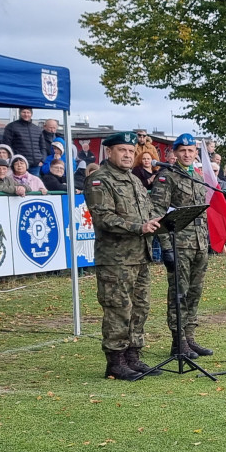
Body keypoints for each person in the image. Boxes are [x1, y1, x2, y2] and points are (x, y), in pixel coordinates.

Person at [84, 132, 163, 380]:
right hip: (116, 258)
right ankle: (115, 362)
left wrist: (159, 220)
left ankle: (133, 356)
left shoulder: (134, 180)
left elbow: (147, 211)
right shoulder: (100, 180)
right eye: (122, 150)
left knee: (140, 307)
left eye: (131, 151)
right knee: (119, 308)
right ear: (109, 153)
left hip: (140, 255)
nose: (128, 155)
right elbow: (104, 217)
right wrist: (138, 227)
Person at [150, 134, 212, 359]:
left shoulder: (196, 176)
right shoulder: (167, 177)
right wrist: (166, 247)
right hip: (179, 243)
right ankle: (178, 341)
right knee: (179, 292)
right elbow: (157, 212)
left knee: (195, 291)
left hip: (198, 242)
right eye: (182, 150)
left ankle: (190, 337)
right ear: (174, 153)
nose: (187, 154)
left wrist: (206, 240)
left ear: (196, 153)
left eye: (191, 150)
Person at [3, 108, 45, 176]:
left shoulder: (37, 129)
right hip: (19, 164)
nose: (26, 114)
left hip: (35, 165)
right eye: (24, 112)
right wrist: (14, 159)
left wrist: (42, 159)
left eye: (28, 112)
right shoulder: (11, 127)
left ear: (31, 114)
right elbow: (7, 145)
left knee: (34, 185)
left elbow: (43, 147)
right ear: (20, 113)